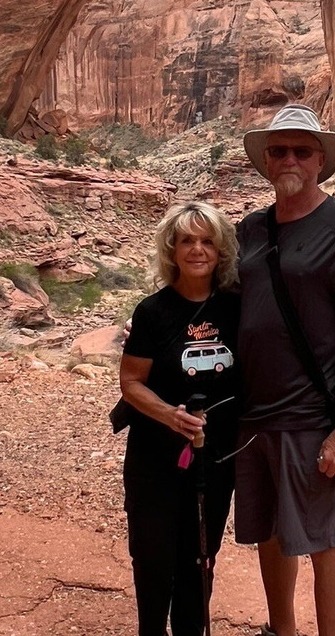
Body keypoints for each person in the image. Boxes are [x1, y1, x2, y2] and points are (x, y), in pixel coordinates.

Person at [234, 104, 335, 636]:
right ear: (266, 161)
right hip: (252, 415)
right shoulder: (251, 229)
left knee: (323, 537)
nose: (290, 159)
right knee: (271, 531)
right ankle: (281, 630)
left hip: (310, 416)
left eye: (302, 150)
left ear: (320, 160)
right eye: (279, 151)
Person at [119, 200, 242, 636]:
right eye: (187, 240)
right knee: (153, 559)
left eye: (207, 240)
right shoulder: (152, 312)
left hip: (215, 459)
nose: (197, 250)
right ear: (172, 249)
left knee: (200, 558)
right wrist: (170, 416)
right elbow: (131, 382)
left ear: (221, 250)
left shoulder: (237, 308)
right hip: (155, 458)